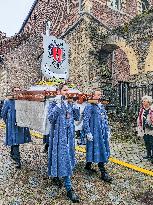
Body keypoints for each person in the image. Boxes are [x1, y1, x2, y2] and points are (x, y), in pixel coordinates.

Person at [48, 83, 80, 203]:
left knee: (66, 158)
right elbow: (51, 118)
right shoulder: (53, 103)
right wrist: (58, 105)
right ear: (59, 92)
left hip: (69, 137)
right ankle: (69, 188)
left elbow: (76, 117)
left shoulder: (70, 104)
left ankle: (56, 175)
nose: (67, 92)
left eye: (68, 90)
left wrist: (75, 104)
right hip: (58, 137)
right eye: (65, 90)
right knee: (63, 158)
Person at [83, 89, 112, 182]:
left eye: (100, 94)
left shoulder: (101, 106)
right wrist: (87, 132)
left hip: (102, 132)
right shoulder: (89, 106)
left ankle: (88, 165)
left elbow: (105, 118)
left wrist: (107, 130)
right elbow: (86, 120)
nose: (100, 96)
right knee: (99, 149)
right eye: (98, 94)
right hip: (94, 132)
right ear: (93, 96)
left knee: (96, 148)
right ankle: (103, 172)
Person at [1, 87, 32, 169]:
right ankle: (17, 160)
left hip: (20, 126)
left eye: (18, 91)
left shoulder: (22, 101)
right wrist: (8, 122)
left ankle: (12, 154)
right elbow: (3, 114)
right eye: (15, 91)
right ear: (12, 92)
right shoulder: (8, 101)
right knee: (15, 142)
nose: (17, 92)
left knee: (15, 141)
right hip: (11, 125)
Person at [137, 95, 153, 163]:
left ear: (148, 102)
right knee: (147, 143)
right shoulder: (142, 109)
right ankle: (148, 155)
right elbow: (139, 117)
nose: (143, 102)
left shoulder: (152, 109)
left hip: (151, 129)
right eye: (143, 101)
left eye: (144, 101)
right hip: (144, 129)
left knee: (152, 143)